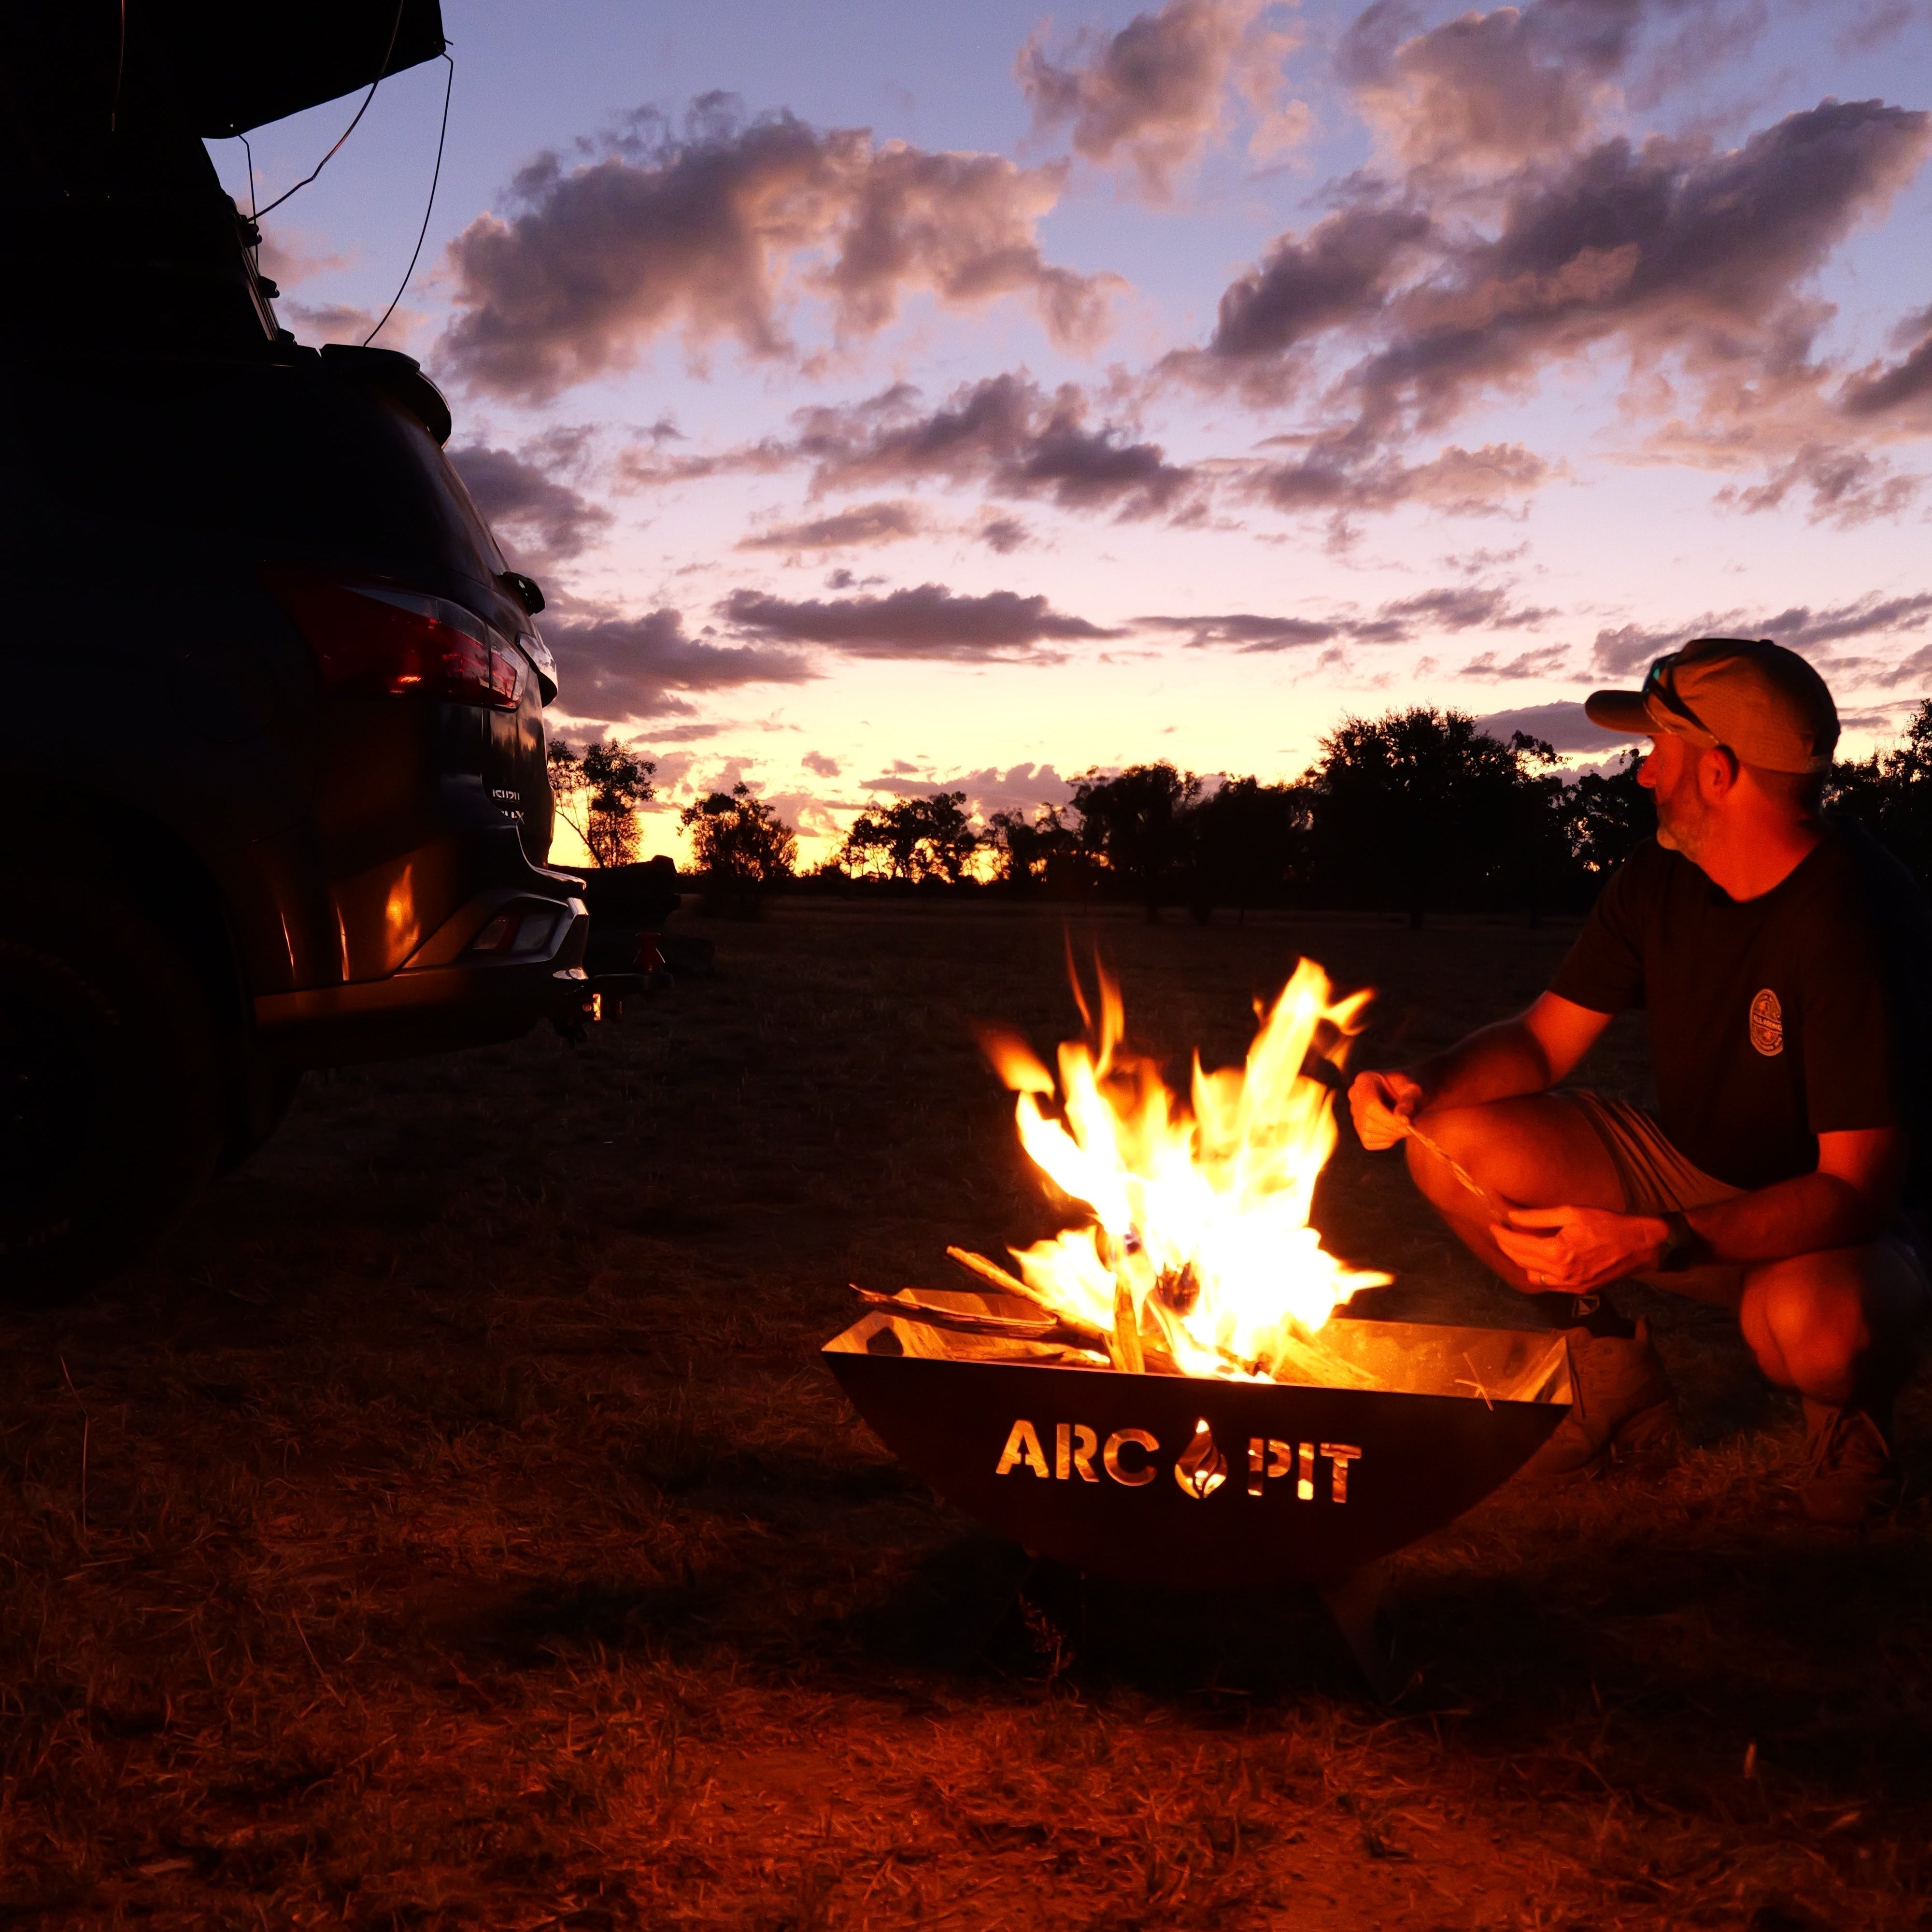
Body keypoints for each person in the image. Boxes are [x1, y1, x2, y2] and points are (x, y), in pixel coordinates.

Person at [1349, 638, 1932, 1523]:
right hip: (1691, 1171)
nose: (1643, 774)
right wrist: (1422, 1087)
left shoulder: (1857, 919)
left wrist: (1654, 1240)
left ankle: (1845, 1420)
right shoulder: (1660, 877)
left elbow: (1854, 1190)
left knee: (1815, 1327)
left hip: (1847, 1225)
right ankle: (1612, 1376)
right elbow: (1543, 1044)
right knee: (1457, 1144)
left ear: (1721, 774)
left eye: (1659, 751)